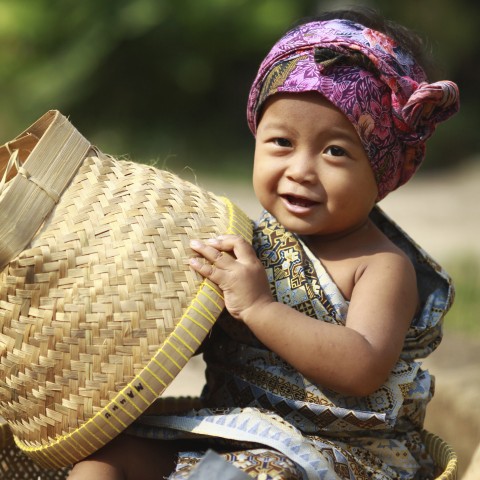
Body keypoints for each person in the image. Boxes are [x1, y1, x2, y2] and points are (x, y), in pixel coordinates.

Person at [67, 7, 459, 480]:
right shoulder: (250, 240)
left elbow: (362, 368)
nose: (300, 170)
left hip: (333, 453)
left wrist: (258, 307)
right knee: (105, 459)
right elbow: (188, 330)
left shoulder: (379, 265)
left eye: (335, 151)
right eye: (281, 143)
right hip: (235, 429)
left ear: (382, 172)